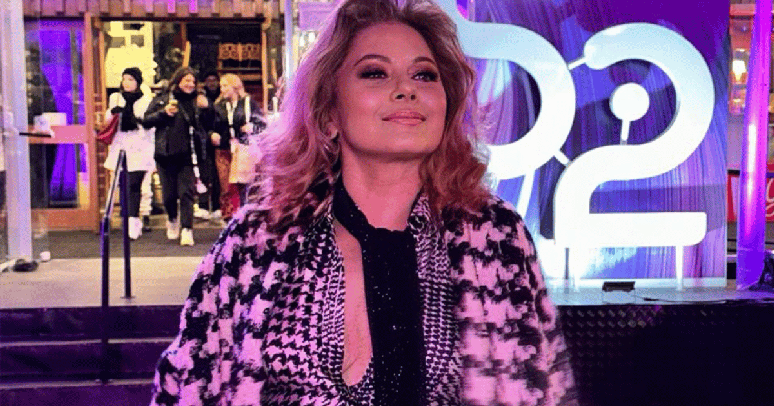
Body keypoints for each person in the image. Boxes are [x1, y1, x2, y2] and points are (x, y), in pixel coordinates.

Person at [150, 0, 576, 404]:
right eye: (375, 72)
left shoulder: (495, 237)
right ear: (329, 112)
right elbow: (185, 388)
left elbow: (545, 389)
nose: (406, 89)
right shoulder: (258, 240)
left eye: (424, 75)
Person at [144, 67, 209, 246]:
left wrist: (207, 108)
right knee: (169, 195)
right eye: (186, 80)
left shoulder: (197, 101)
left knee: (186, 193)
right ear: (178, 80)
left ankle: (187, 229)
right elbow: (146, 120)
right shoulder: (164, 99)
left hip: (188, 156)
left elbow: (210, 123)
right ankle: (172, 218)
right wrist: (163, 113)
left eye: (193, 81)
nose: (190, 84)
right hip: (165, 155)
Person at [103, 67, 155, 240]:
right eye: (124, 79)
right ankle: (124, 219)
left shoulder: (146, 100)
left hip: (140, 146)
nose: (127, 83)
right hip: (121, 145)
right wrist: (113, 112)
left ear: (138, 82)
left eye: (131, 79)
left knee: (135, 184)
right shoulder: (115, 97)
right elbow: (107, 121)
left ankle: (134, 220)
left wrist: (137, 119)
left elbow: (150, 124)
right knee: (121, 184)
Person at [210, 73, 266, 221]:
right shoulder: (218, 106)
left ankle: (246, 213)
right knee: (226, 184)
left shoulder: (248, 103)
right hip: (224, 148)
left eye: (225, 85)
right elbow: (209, 125)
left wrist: (252, 127)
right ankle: (229, 216)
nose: (222, 89)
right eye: (221, 86)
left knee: (243, 182)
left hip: (243, 148)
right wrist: (212, 134)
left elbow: (261, 123)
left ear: (235, 86)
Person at [195, 71, 223, 221]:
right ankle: (203, 206)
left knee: (218, 175)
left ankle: (218, 206)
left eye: (214, 80)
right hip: (202, 141)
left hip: (219, 140)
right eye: (209, 80)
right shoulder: (199, 97)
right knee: (203, 174)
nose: (212, 83)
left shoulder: (222, 98)